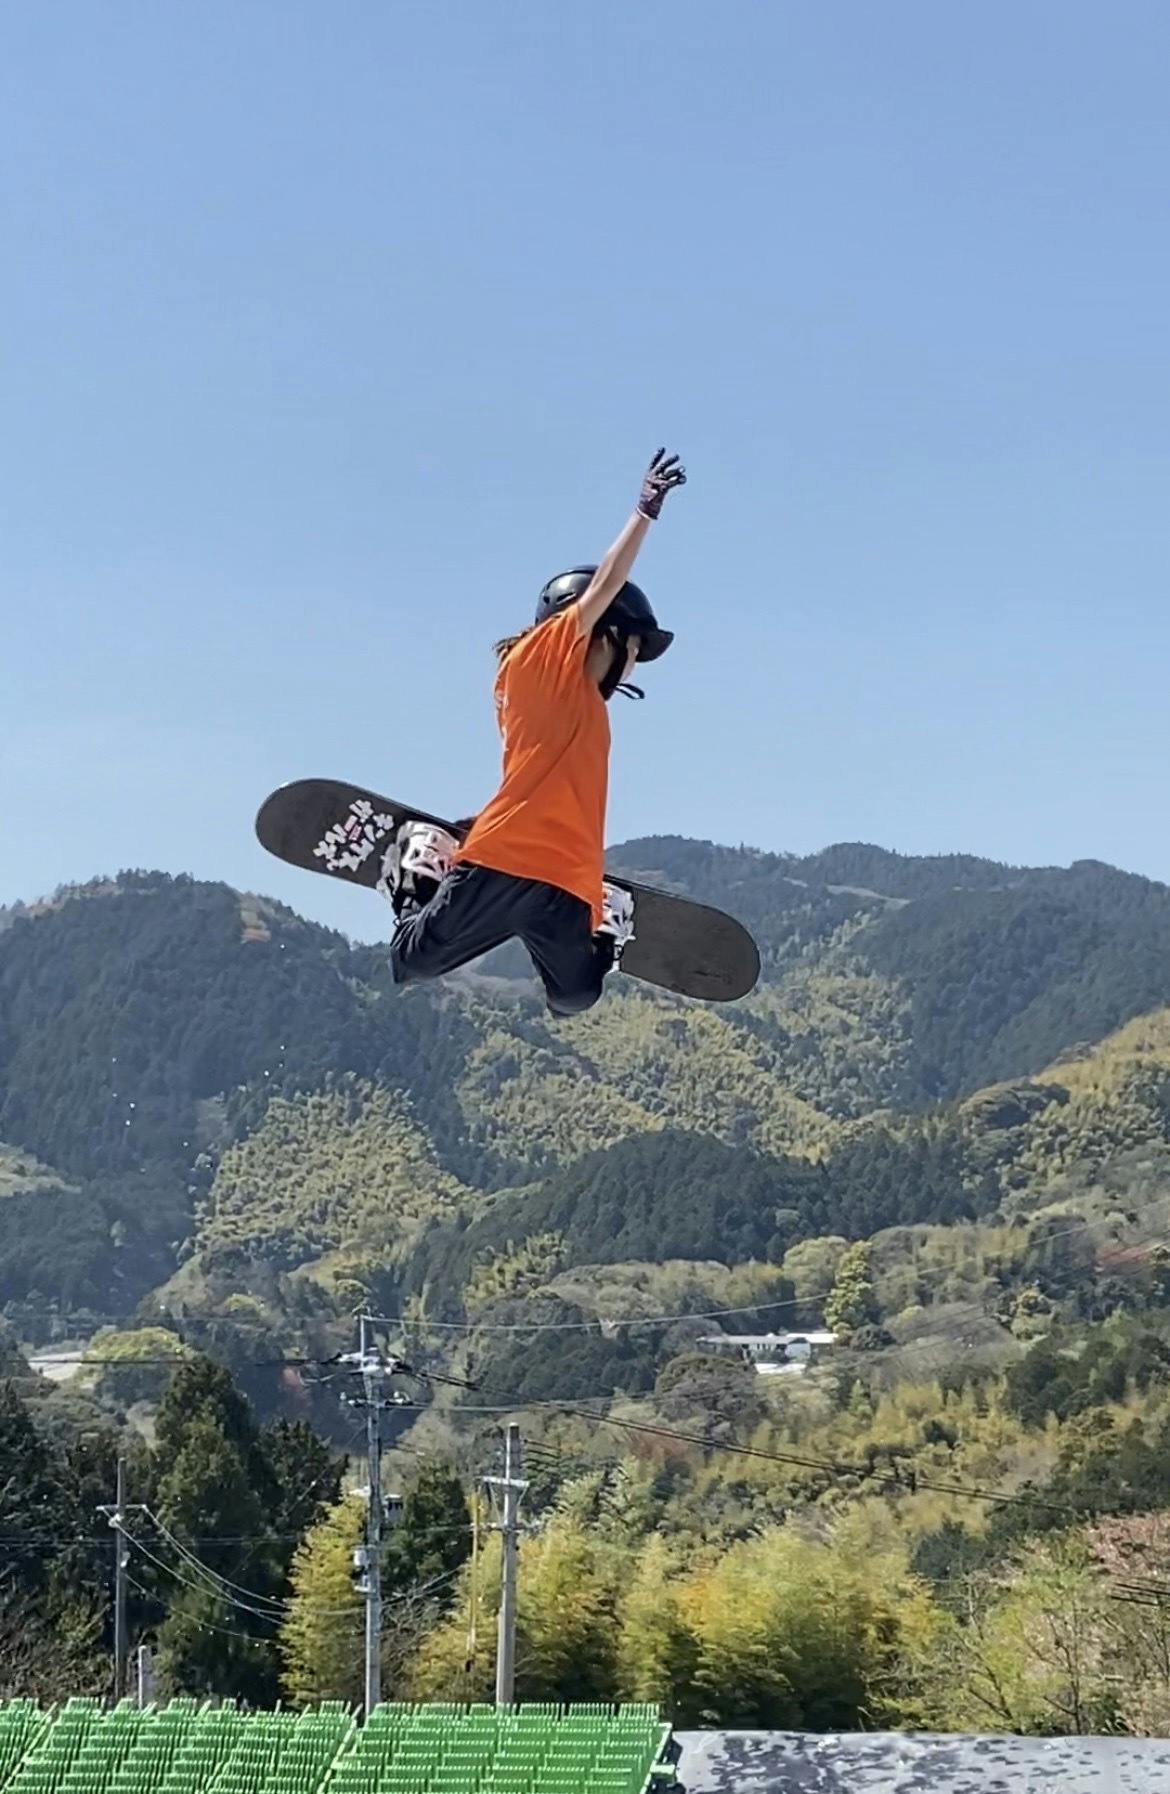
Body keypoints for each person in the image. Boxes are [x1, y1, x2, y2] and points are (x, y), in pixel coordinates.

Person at [379, 448, 686, 1015]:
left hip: (567, 879)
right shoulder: (538, 661)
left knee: (575, 997)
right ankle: (422, 869)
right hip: (506, 859)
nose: (635, 664)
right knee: (410, 963)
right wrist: (643, 513)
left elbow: (539, 777)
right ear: (604, 635)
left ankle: (605, 922)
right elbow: (605, 584)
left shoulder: (580, 706)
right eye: (635, 646)